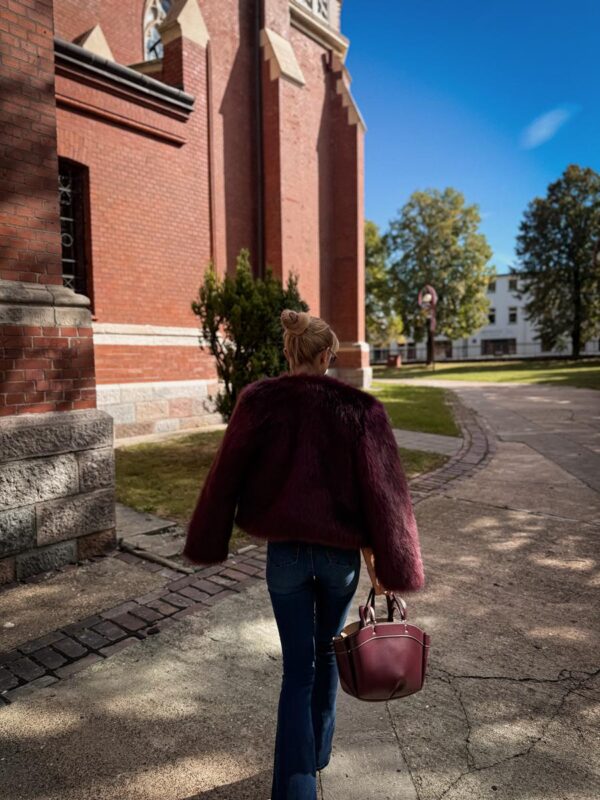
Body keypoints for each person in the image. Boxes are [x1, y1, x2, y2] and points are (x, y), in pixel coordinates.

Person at [183, 309, 424, 800]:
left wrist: (210, 538)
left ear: (290, 352)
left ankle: (295, 787)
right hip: (339, 560)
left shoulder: (259, 402)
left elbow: (224, 475)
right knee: (328, 655)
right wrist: (396, 564)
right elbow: (387, 495)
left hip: (285, 558)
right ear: (327, 356)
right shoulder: (361, 410)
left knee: (297, 669)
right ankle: (316, 756)